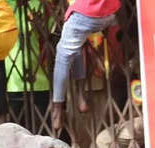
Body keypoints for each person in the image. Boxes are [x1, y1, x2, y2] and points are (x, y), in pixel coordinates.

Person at [51, 0, 121, 131]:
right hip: (109, 14)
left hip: (86, 12)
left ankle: (57, 106)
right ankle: (81, 96)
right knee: (76, 43)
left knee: (63, 54)